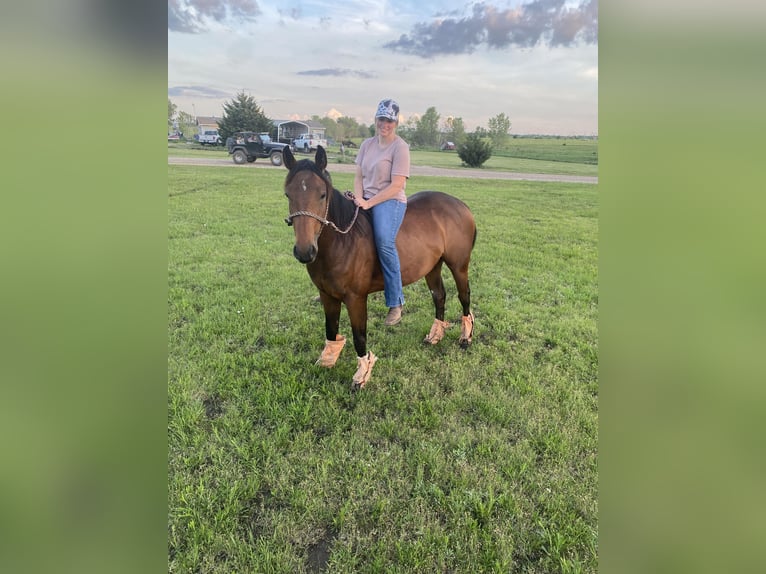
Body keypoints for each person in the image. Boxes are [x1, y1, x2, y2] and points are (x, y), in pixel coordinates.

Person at [352, 98, 411, 326]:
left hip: (389, 200)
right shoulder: (367, 144)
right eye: (382, 119)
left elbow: (396, 185)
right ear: (375, 119)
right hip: (365, 197)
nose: (385, 124)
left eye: (390, 120)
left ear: (396, 123)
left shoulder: (400, 147)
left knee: (384, 240)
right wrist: (359, 198)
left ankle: (395, 301)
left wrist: (369, 203)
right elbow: (359, 177)